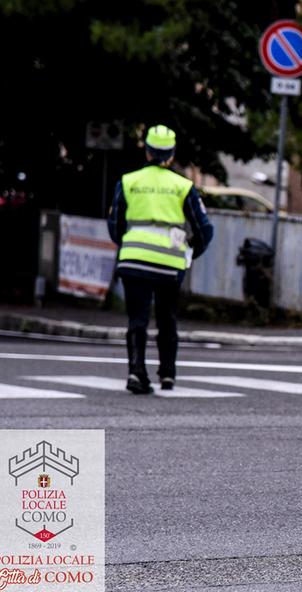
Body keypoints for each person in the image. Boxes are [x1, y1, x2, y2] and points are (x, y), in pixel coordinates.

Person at [107, 125, 214, 394]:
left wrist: (127, 245)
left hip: (133, 261)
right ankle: (167, 375)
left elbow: (114, 223)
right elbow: (204, 229)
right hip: (169, 264)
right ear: (171, 154)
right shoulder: (183, 186)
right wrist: (189, 253)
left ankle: (136, 372)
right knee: (167, 318)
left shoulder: (128, 181)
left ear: (147, 151)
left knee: (137, 319)